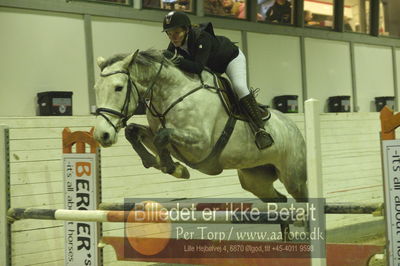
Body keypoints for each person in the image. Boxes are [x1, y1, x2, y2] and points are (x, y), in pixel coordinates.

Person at [161, 11, 273, 149]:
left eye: (177, 32)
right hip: (211, 67)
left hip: (230, 59)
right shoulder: (174, 46)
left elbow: (197, 68)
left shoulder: (202, 38)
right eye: (169, 33)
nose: (173, 37)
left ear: (187, 29)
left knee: (239, 87)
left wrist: (172, 58)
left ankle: (260, 130)